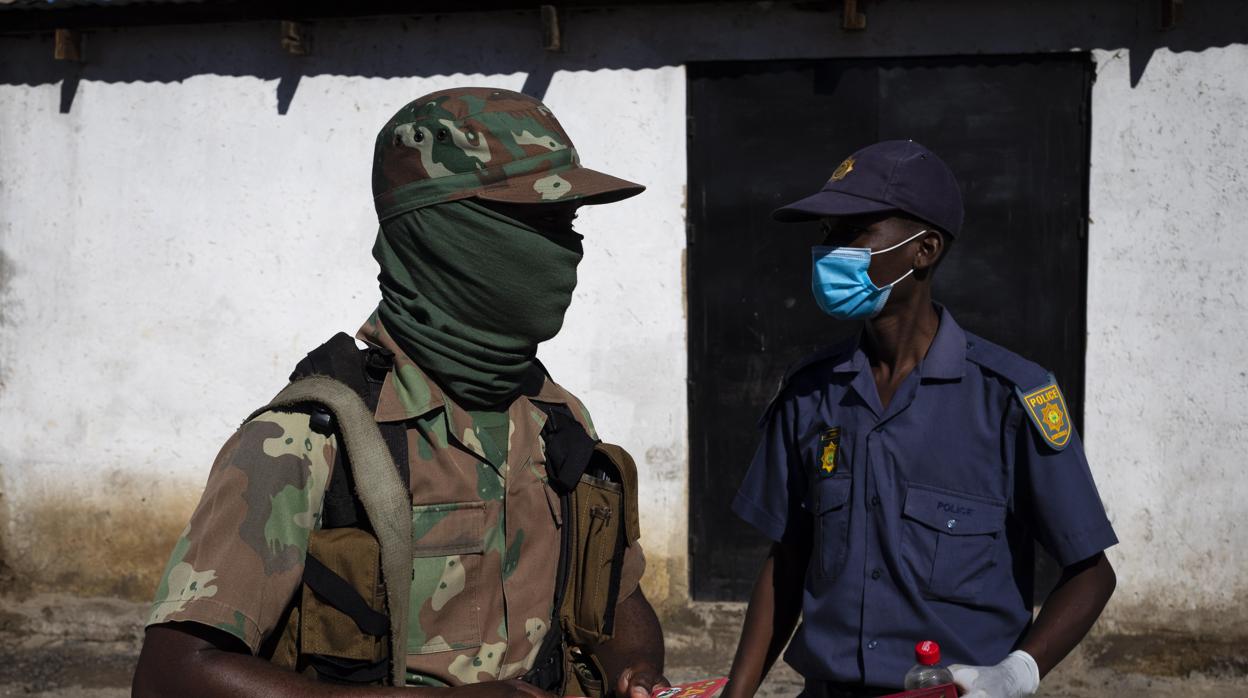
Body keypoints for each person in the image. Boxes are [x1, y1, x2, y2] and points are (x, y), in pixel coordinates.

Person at [132, 87, 668, 698]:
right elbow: (173, 676)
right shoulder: (308, 440)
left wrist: (637, 669)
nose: (568, 251)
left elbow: (618, 600)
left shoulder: (556, 417)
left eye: (567, 223)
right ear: (447, 236)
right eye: (538, 224)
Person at [723, 140, 1118, 698]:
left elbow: (1091, 572)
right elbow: (788, 558)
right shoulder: (809, 394)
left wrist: (1018, 672)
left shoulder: (1008, 397)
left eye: (854, 231)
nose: (830, 251)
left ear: (924, 249)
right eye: (826, 234)